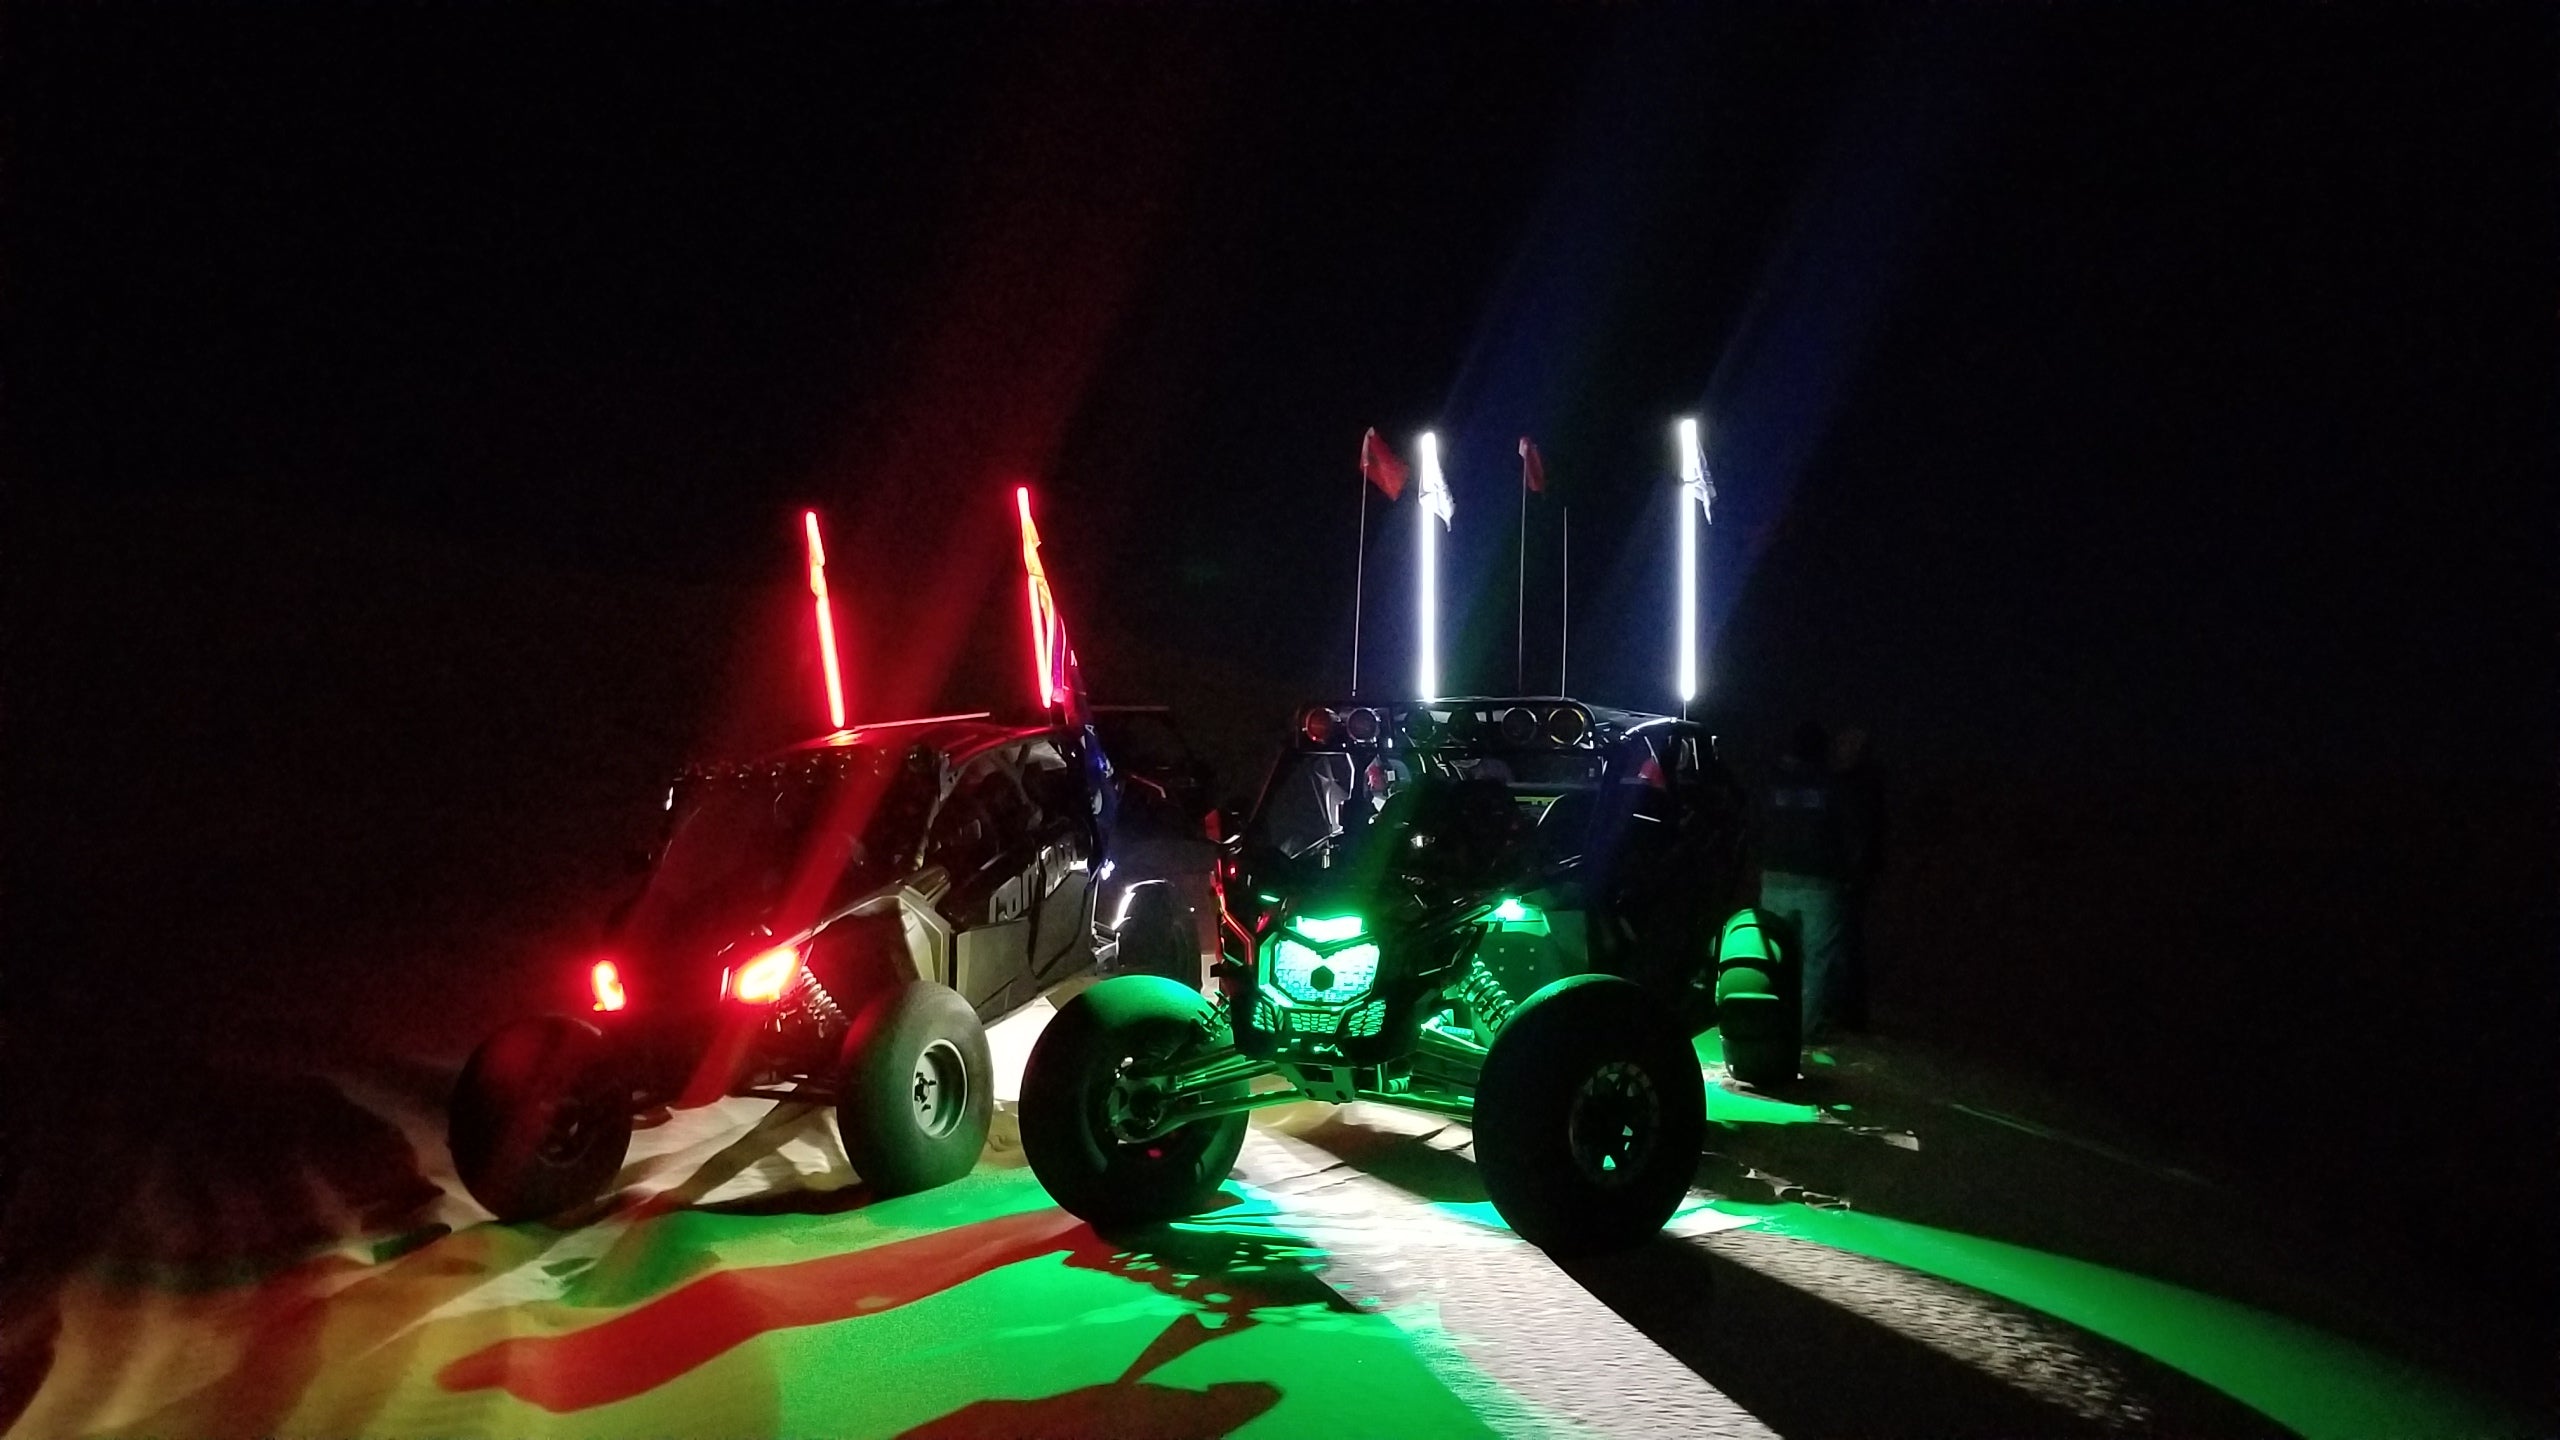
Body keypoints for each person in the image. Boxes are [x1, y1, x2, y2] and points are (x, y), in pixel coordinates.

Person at [1757, 720, 1861, 1044]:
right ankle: (1806, 1032)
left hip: (1774, 879)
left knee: (1772, 955)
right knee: (1817, 963)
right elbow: (1849, 834)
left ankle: (1767, 1026)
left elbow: (1756, 824)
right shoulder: (1833, 784)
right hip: (1820, 883)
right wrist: (1850, 874)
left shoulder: (1770, 781)